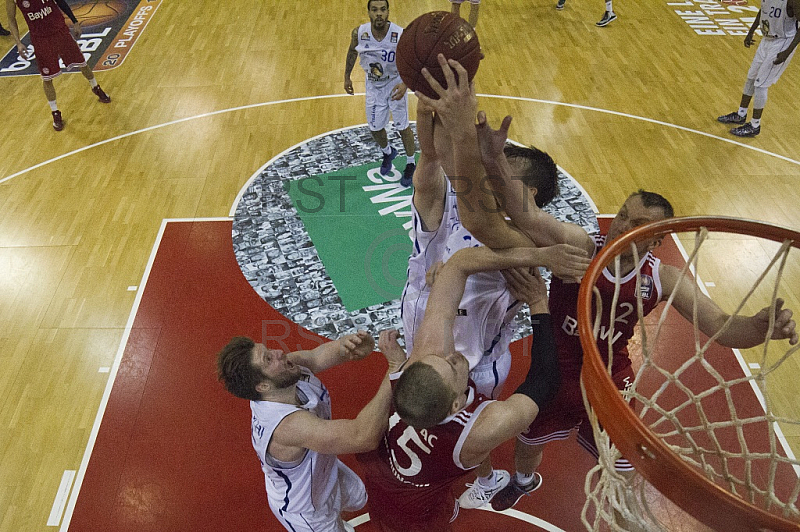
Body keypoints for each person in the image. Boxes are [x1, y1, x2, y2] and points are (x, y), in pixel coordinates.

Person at [474, 168, 800, 509]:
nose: (623, 226)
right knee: (528, 444)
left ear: (656, 238)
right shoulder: (581, 248)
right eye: (623, 215)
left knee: (622, 466)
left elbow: (722, 326)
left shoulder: (662, 278)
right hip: (555, 371)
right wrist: (494, 160)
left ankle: (610, 505)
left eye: (637, 223)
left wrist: (760, 328)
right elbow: (531, 216)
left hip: (610, 380)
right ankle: (524, 482)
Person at [359, 241, 588, 532]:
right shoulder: (476, 432)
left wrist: (440, 284)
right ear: (456, 405)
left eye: (444, 360)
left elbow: (458, 264)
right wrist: (538, 302)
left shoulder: (412, 378)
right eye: (454, 367)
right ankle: (489, 482)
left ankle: (484, 481)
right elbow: (545, 380)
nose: (454, 356)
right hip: (417, 520)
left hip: (384, 490)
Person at [400, 96, 561, 509]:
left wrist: (455, 269)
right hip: (422, 339)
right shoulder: (458, 209)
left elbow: (490, 244)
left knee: (468, 437)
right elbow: (431, 167)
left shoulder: (525, 243)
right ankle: (485, 475)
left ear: (527, 192)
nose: (489, 175)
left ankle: (487, 477)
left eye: (502, 172)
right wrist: (425, 105)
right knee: (426, 416)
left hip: (472, 365)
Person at [216, 330, 401, 532]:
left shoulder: (285, 371)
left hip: (323, 470)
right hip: (307, 511)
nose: (278, 351)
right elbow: (362, 436)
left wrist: (349, 346)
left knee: (359, 497)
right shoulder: (287, 427)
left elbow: (315, 356)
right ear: (263, 385)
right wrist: (395, 372)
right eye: (268, 358)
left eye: (269, 349)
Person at [6, 0, 111, 131]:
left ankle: (96, 87)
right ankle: (55, 112)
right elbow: (11, 19)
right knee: (47, 78)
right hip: (40, 39)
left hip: (60, 31)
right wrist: (18, 43)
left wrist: (75, 21)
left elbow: (61, 2)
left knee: (82, 64)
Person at [344, 0, 416, 186]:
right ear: (368, 12)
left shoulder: (400, 35)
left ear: (388, 11)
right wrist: (347, 77)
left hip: (395, 84)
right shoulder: (359, 33)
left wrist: (406, 83)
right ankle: (387, 152)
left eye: (383, 10)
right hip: (374, 86)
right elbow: (352, 52)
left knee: (402, 126)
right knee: (375, 128)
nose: (379, 14)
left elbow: (413, 60)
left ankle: (410, 163)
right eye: (374, 10)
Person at [717, 0, 798, 137]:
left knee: (761, 84)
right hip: (766, 40)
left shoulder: (793, 1)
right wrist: (751, 31)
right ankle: (741, 114)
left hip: (782, 42)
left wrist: (787, 51)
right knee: (751, 78)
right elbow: (763, 11)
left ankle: (755, 125)